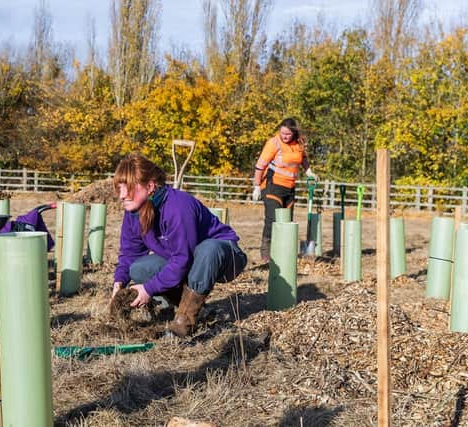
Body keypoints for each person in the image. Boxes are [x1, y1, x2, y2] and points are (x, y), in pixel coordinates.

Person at [111, 153, 247, 337]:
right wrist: (119, 284)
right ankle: (198, 310)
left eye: (127, 188)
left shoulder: (177, 206)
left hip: (224, 258)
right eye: (119, 189)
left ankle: (184, 321)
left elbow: (183, 258)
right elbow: (130, 253)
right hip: (186, 259)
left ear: (150, 186)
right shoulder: (134, 212)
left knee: (208, 249)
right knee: (139, 269)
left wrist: (148, 289)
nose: (121, 196)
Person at [252, 117, 317, 261]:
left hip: (289, 188)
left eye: (287, 134)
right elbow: (260, 166)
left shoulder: (299, 143)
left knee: (287, 221)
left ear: (293, 133)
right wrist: (256, 186)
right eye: (282, 133)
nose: (284, 136)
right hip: (272, 187)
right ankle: (266, 254)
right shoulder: (273, 143)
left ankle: (283, 252)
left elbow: (303, 158)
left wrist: (308, 171)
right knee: (272, 220)